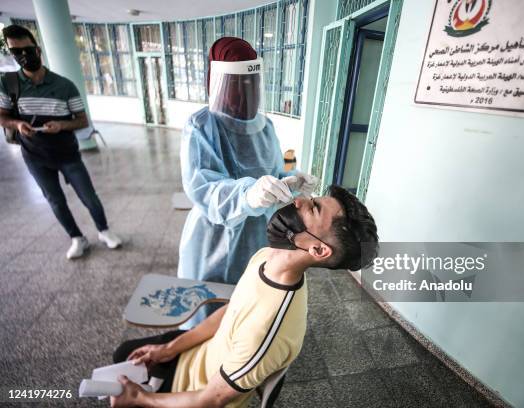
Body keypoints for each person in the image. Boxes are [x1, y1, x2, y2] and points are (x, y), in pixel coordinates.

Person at [111, 186, 379, 408]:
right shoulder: (268, 256)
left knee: (121, 386)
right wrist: (169, 350)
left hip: (193, 392)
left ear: (319, 250)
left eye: (312, 208)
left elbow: (210, 399)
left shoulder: (269, 329)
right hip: (198, 355)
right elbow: (231, 311)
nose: (298, 200)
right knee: (124, 354)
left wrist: (140, 398)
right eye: (311, 199)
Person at [178, 37, 317, 328]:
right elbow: (203, 187)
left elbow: (274, 173)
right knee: (209, 308)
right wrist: (248, 194)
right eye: (236, 82)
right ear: (217, 80)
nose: (245, 91)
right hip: (214, 236)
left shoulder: (265, 127)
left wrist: (292, 182)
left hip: (258, 233)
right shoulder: (202, 126)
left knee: (249, 302)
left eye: (251, 82)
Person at [0, 25, 121, 259]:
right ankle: (77, 238)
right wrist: (17, 125)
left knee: (89, 196)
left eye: (27, 50)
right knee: (55, 201)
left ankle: (104, 231)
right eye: (16, 53)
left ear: (37, 50)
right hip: (35, 156)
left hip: (67, 153)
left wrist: (61, 125)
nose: (23, 56)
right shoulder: (9, 83)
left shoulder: (64, 85)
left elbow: (82, 120)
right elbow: (3, 116)